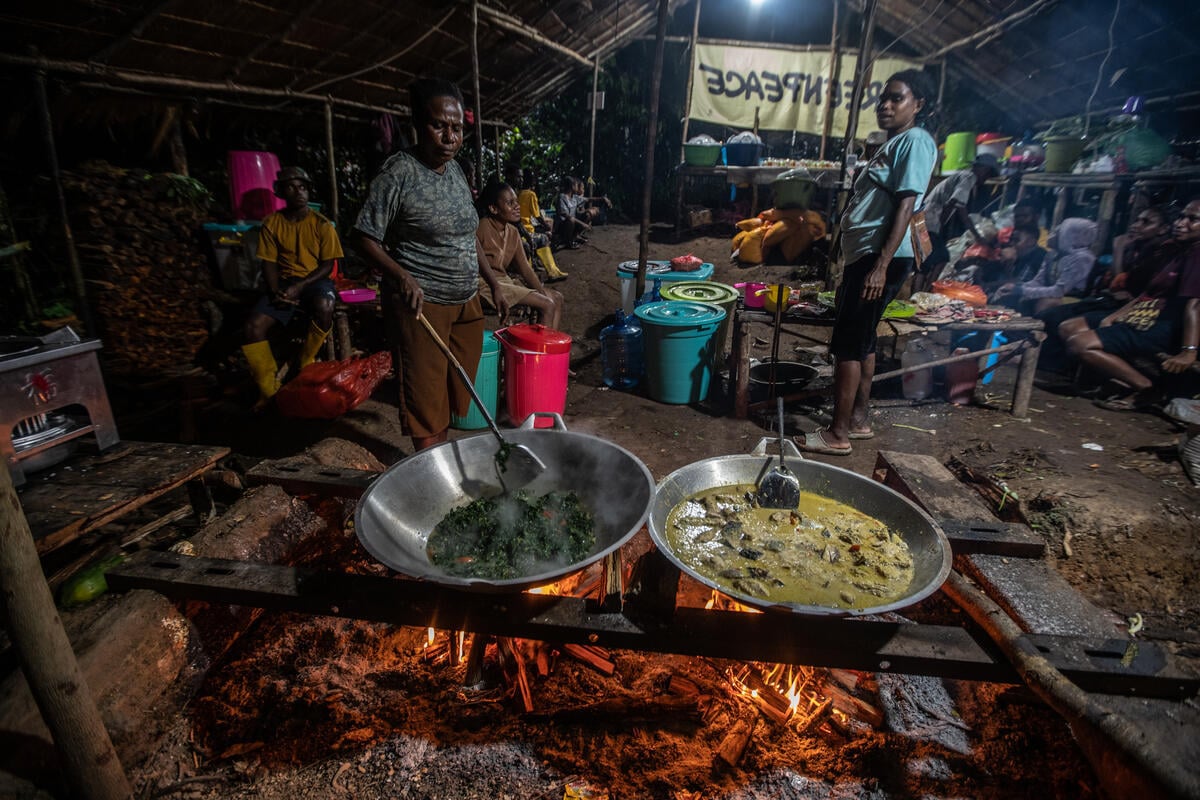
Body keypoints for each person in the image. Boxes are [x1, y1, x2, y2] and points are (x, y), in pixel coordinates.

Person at [354, 78, 510, 452]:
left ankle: (439, 463)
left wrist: (493, 283)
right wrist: (402, 276)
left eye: (456, 128)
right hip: (423, 305)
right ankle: (431, 476)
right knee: (426, 402)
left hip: (465, 302)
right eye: (438, 125)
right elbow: (362, 236)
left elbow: (467, 236)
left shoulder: (455, 171)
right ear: (417, 126)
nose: (449, 136)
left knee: (455, 391)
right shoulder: (399, 173)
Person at [794, 69, 938, 456]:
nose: (886, 106)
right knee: (865, 338)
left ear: (918, 105)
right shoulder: (895, 144)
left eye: (897, 98)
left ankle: (836, 434)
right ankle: (858, 421)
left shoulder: (916, 141)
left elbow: (907, 204)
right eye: (883, 99)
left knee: (848, 345)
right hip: (871, 254)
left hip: (880, 255)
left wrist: (881, 264)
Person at [1061, 198, 1200, 411]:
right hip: (1144, 316)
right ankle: (1102, 383)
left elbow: (1195, 304)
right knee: (1068, 327)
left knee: (1079, 343)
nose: (1181, 223)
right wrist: (1115, 316)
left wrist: (1189, 351)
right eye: (1182, 217)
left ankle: (1147, 388)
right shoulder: (1177, 249)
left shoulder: (1197, 254)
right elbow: (1148, 292)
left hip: (1165, 327)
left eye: (1193, 219)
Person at [241, 166, 343, 408]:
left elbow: (328, 265)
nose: (298, 192)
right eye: (291, 187)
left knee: (326, 306)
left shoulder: (322, 224)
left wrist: (300, 287)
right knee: (253, 327)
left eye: (303, 187)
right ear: (281, 193)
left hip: (315, 279)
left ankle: (305, 361)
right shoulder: (272, 224)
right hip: (286, 282)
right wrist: (276, 291)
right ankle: (268, 390)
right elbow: (269, 263)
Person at [475, 180, 564, 329]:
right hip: (486, 286)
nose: (517, 206)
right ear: (493, 208)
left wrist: (541, 293)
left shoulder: (513, 232)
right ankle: (540, 350)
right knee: (547, 305)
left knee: (557, 298)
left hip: (506, 283)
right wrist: (542, 298)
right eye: (510, 203)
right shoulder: (482, 226)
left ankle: (548, 347)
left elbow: (526, 270)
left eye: (516, 202)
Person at [917, 153, 1001, 288]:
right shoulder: (968, 177)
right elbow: (957, 204)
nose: (986, 179)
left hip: (928, 218)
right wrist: (976, 235)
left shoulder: (963, 176)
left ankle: (922, 291)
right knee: (940, 258)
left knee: (932, 259)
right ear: (984, 169)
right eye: (988, 174)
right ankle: (924, 290)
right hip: (931, 219)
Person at [992, 217, 1097, 315]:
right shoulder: (1052, 254)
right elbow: (1038, 281)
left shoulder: (1083, 258)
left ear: (1071, 235)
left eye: (1059, 232)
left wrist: (1022, 290)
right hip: (1052, 292)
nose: (1053, 235)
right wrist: (1015, 288)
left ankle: (1038, 332)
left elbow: (1060, 290)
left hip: (1073, 298)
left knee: (1045, 302)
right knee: (1011, 294)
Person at [553, 176, 589, 249]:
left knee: (588, 213)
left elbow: (588, 199)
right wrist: (582, 223)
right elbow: (565, 215)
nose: (577, 187)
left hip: (571, 225)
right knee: (571, 220)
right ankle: (568, 243)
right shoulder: (562, 197)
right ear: (572, 186)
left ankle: (574, 237)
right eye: (576, 185)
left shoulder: (574, 197)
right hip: (562, 227)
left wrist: (602, 199)